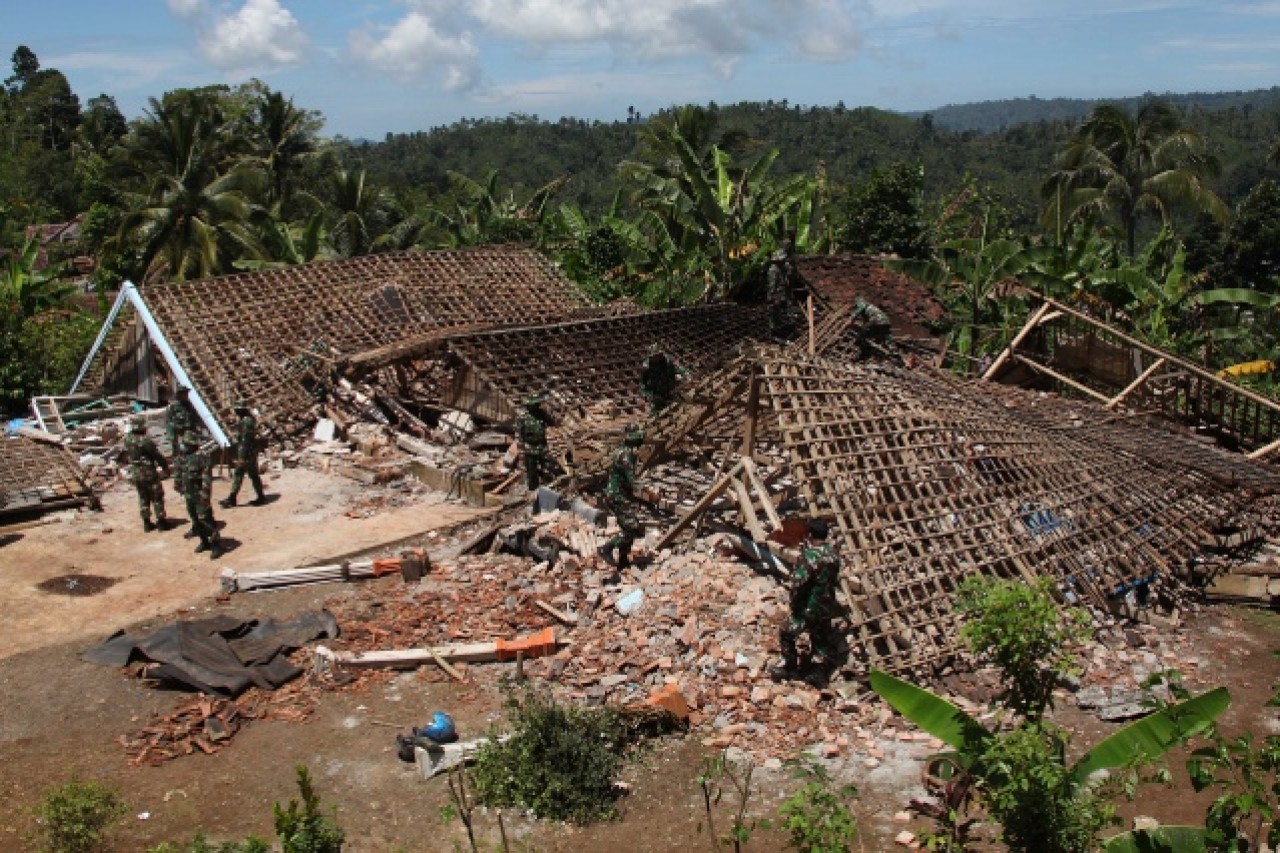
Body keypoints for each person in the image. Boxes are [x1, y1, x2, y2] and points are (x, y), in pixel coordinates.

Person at [779, 519, 842, 679]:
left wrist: (794, 603)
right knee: (821, 637)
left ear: (810, 534)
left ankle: (790, 667)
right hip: (827, 605)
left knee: (786, 632)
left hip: (809, 607)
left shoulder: (810, 556)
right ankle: (820, 671)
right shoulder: (834, 555)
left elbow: (798, 583)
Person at [597, 425, 645, 584]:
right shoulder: (624, 455)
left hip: (621, 495)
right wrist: (650, 491)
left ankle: (623, 560)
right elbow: (633, 480)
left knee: (629, 529)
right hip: (616, 496)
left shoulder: (628, 453)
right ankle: (607, 548)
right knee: (632, 526)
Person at [179, 430, 223, 558]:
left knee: (206, 520)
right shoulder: (185, 457)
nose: (184, 446)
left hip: (200, 495)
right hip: (189, 495)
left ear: (192, 444)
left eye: (186, 444)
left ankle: (216, 544)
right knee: (195, 519)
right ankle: (204, 542)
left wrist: (205, 495)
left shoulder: (203, 457)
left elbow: (206, 478)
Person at [123, 415, 169, 532]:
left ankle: (147, 523)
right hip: (148, 472)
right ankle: (161, 522)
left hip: (136, 473)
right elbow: (156, 455)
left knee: (143, 497)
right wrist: (165, 466)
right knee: (157, 496)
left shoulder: (127, 439)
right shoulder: (145, 440)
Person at [220, 400, 266, 508]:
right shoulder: (248, 420)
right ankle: (260, 496)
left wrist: (242, 457)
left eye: (237, 410)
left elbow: (246, 440)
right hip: (250, 451)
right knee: (253, 474)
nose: (236, 412)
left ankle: (232, 498)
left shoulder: (246, 421)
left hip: (246, 452)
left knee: (238, 474)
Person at [515, 392, 551, 491]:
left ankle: (547, 489)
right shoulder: (523, 417)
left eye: (537, 404)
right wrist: (521, 451)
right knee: (531, 472)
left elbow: (553, 422)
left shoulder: (542, 414)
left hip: (542, 447)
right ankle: (533, 492)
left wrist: (548, 411)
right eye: (534, 404)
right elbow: (519, 435)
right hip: (529, 449)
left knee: (548, 469)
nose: (536, 406)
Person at [766, 235, 800, 340]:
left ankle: (789, 330)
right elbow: (772, 286)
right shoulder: (774, 270)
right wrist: (774, 297)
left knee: (789, 311)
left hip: (784, 293)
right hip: (776, 295)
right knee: (774, 313)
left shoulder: (783, 267)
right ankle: (774, 333)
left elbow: (790, 271)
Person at [639, 348, 689, 414]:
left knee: (681, 407)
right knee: (655, 413)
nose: (657, 358)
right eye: (654, 356)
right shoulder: (646, 366)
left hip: (672, 391)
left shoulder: (669, 360)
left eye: (658, 355)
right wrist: (644, 396)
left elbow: (682, 370)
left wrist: (686, 378)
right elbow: (642, 384)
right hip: (658, 395)